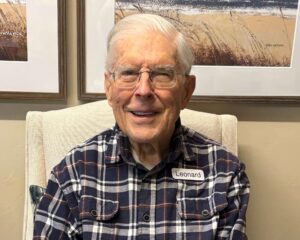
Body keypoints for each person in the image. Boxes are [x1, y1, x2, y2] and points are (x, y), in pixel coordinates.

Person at [33, 13, 250, 239]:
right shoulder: (72, 174)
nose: (144, 90)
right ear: (109, 87)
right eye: (128, 73)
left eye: (162, 74)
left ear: (187, 91)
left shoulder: (225, 174)